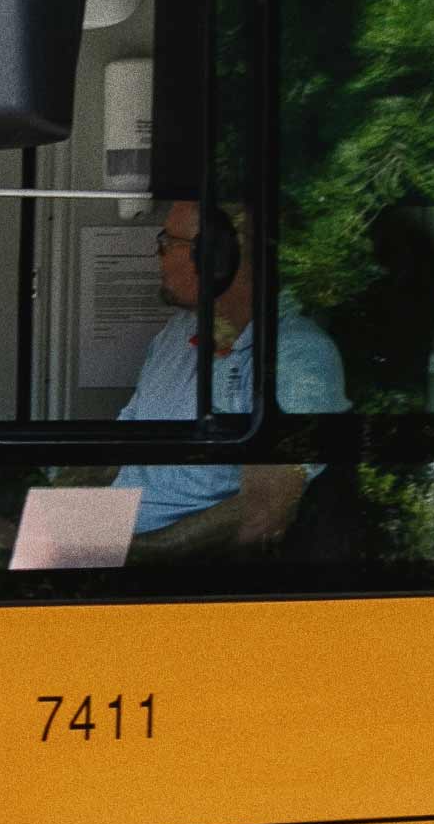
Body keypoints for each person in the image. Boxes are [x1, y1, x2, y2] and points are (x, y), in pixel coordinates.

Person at [117, 198, 343, 556]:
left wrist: (139, 551)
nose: (158, 255)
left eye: (167, 243)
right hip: (111, 546)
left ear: (217, 259)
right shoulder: (175, 335)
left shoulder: (298, 356)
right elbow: (120, 445)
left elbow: (263, 513)